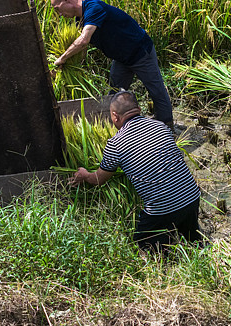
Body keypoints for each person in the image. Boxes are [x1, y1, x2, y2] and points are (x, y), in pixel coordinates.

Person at [71, 91, 202, 251]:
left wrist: (84, 175)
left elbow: (99, 179)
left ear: (115, 116)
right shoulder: (160, 126)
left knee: (144, 246)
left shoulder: (116, 144)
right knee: (193, 241)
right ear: (138, 109)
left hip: (161, 210)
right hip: (191, 196)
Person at [50, 0, 174, 129]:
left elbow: (83, 40)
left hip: (139, 52)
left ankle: (167, 126)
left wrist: (62, 58)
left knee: (156, 90)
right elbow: (83, 46)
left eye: (57, 8)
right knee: (114, 93)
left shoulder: (93, 8)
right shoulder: (80, 20)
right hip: (121, 58)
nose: (59, 14)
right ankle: (115, 126)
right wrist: (68, 65)